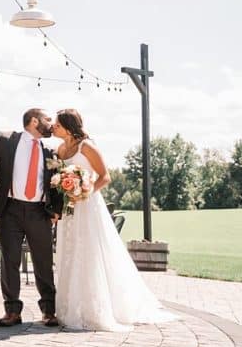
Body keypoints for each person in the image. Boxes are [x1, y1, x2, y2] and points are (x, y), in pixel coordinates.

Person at [51, 108, 176, 331]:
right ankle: (70, 307)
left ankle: (94, 309)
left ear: (68, 127)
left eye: (57, 124)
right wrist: (67, 192)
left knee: (89, 253)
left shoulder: (87, 147)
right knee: (69, 252)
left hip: (88, 206)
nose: (53, 127)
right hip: (69, 208)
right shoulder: (60, 149)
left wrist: (84, 192)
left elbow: (105, 177)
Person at [0, 108, 63, 327]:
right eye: (47, 119)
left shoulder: (50, 150)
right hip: (10, 210)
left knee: (43, 262)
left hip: (39, 212)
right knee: (10, 261)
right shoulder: (7, 140)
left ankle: (49, 311)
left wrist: (56, 211)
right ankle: (12, 311)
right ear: (34, 121)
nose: (51, 124)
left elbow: (57, 184)